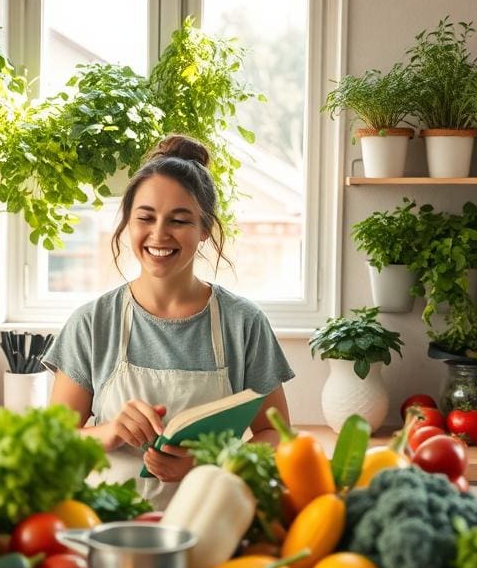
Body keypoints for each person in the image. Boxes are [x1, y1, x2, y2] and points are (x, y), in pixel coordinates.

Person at [43, 135, 295, 508]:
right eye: (145, 218)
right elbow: (54, 440)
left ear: (205, 229)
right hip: (111, 527)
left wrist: (209, 460)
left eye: (179, 220)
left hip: (211, 525)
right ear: (128, 222)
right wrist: (110, 432)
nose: (159, 234)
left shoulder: (244, 324)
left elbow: (277, 435)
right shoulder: (92, 323)